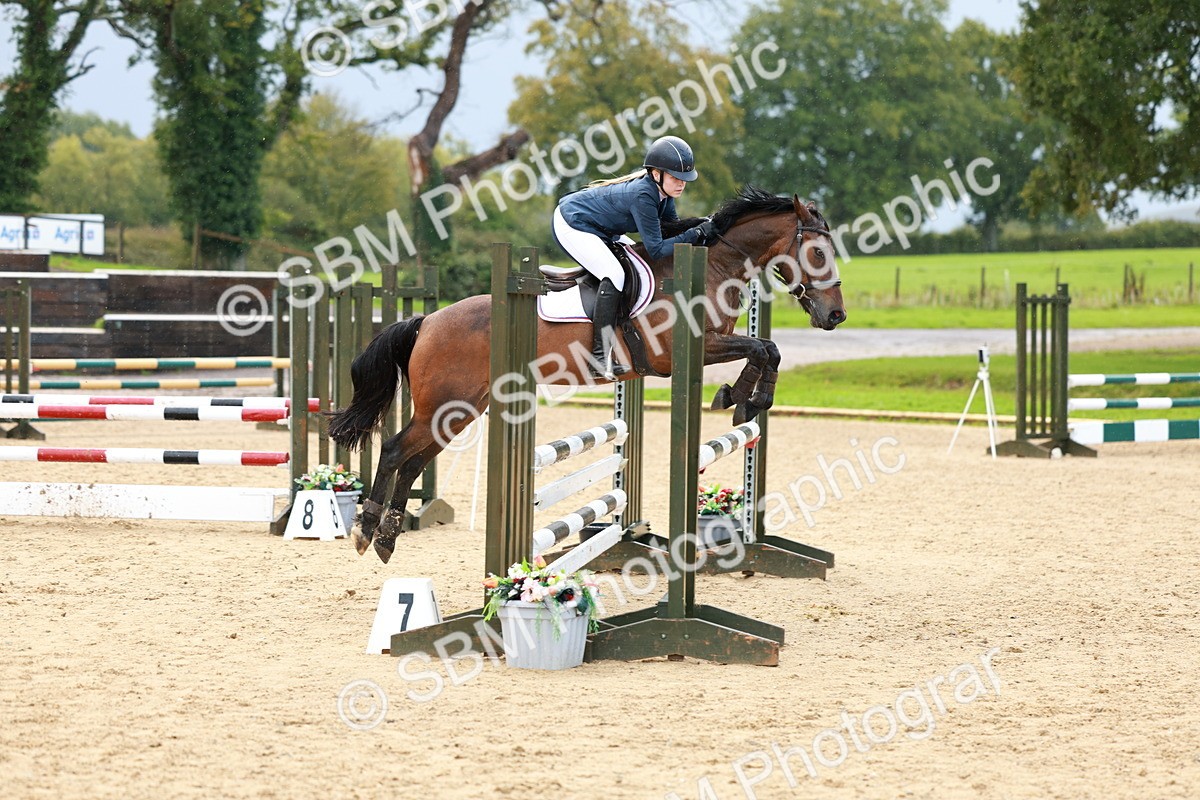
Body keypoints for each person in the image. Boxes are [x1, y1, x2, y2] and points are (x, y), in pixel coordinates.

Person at [552, 135, 716, 379]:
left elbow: (671, 229)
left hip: (603, 229)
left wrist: (702, 225)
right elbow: (657, 249)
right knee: (615, 274)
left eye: (684, 179)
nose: (681, 183)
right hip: (573, 223)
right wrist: (695, 233)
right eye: (675, 177)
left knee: (636, 266)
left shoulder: (663, 195)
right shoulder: (644, 195)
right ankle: (598, 356)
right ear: (656, 173)